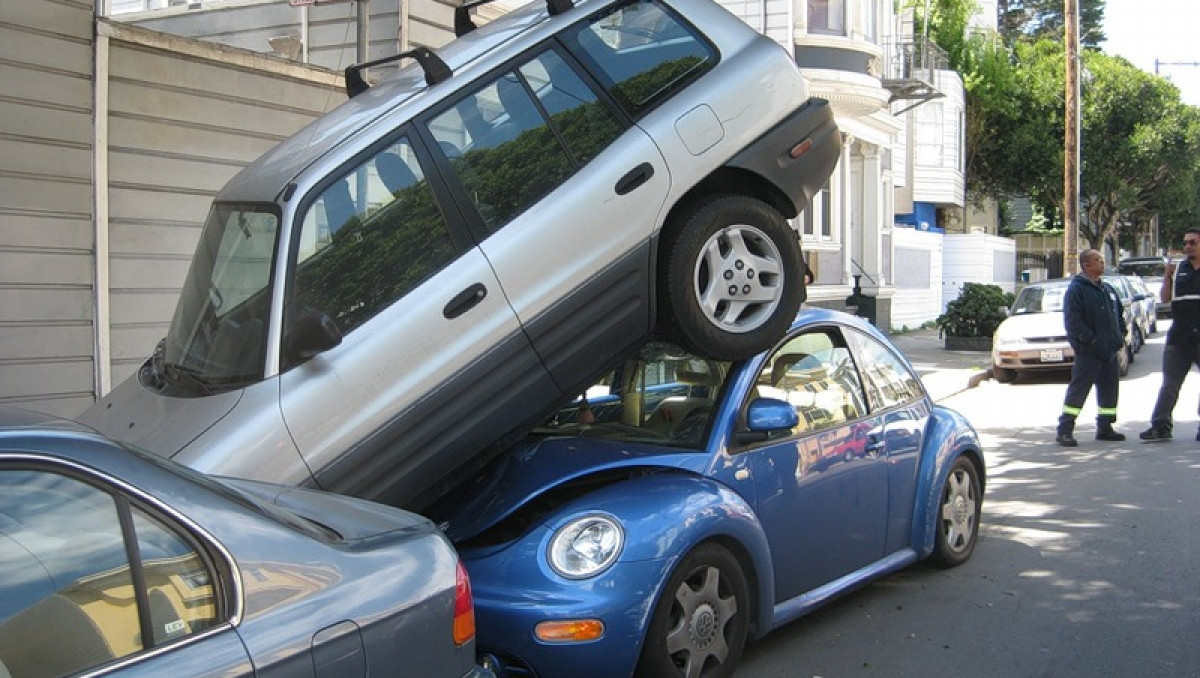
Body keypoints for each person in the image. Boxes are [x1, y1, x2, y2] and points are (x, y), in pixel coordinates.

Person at [1056, 249, 1127, 446]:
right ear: (1087, 265)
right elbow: (1073, 321)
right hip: (1089, 353)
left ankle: (1105, 427)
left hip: (1110, 351)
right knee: (1079, 391)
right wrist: (1090, 340)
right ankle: (1065, 429)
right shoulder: (1077, 289)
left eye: (1102, 259)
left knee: (1109, 391)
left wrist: (1120, 335)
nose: (1102, 263)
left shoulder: (1107, 289)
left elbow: (1118, 314)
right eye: (1097, 260)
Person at [1140, 227, 1200, 441]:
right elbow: (1165, 298)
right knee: (1170, 384)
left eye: (1192, 242)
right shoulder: (1179, 269)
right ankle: (1160, 425)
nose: (1187, 247)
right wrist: (1167, 277)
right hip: (1179, 337)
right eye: (1185, 243)